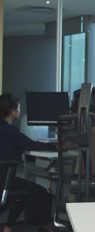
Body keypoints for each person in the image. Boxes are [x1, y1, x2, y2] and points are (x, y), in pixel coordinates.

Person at [0, 94, 54, 232]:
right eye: (18, 107)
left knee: (22, 192)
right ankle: (47, 227)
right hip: (5, 182)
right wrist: (59, 146)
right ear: (12, 111)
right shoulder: (10, 131)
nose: (20, 110)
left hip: (5, 180)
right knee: (39, 192)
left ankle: (8, 227)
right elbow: (32, 145)